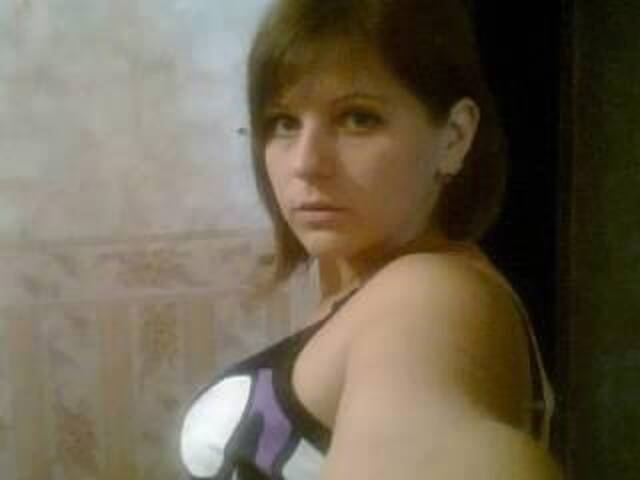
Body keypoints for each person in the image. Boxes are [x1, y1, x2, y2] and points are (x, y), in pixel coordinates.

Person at [180, 0, 561, 478]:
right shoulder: (362, 281)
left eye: (358, 118)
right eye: (284, 122)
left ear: (454, 138)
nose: (305, 163)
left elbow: (443, 443)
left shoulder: (432, 295)